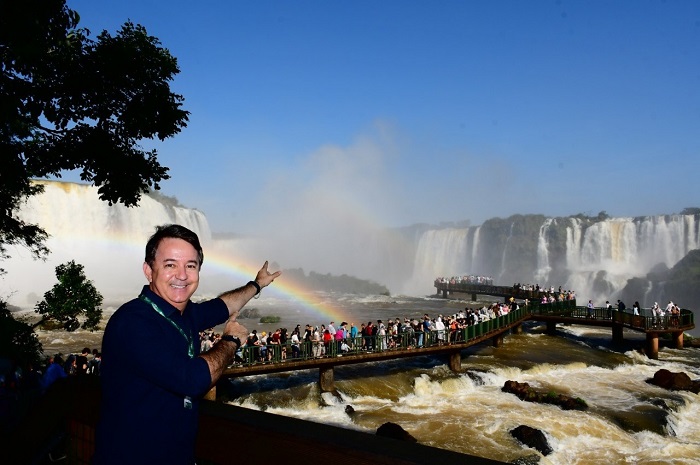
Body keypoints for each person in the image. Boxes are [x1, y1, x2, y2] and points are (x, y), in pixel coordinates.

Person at [92, 224, 280, 465]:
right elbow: (192, 380)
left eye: (190, 266)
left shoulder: (183, 312)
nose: (182, 275)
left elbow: (223, 305)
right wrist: (231, 341)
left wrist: (256, 285)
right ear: (148, 271)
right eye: (170, 265)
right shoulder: (132, 322)